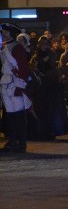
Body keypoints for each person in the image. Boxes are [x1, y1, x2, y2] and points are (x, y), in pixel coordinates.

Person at [1, 24, 32, 153]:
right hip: (6, 83)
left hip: (15, 83)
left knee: (19, 115)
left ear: (11, 33)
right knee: (11, 115)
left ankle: (21, 142)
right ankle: (13, 141)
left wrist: (20, 87)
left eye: (5, 32)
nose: (3, 34)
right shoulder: (5, 47)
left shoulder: (17, 47)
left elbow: (23, 68)